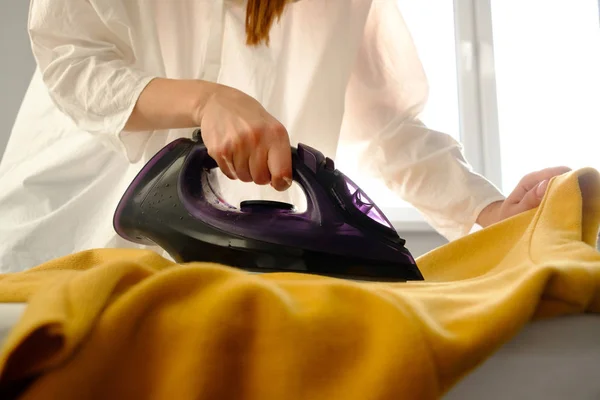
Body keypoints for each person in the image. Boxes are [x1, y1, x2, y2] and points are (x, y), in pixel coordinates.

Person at [0, 0, 569, 272]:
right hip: (65, 234)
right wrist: (205, 99)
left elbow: (391, 128)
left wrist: (487, 211)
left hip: (228, 284)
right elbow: (71, 54)